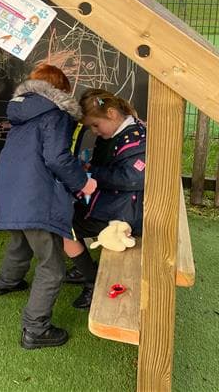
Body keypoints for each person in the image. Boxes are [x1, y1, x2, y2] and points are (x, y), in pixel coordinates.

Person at [0, 64, 96, 349]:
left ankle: (6, 282)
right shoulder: (56, 114)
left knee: (19, 243)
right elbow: (57, 158)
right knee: (51, 267)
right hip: (36, 195)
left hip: (9, 191)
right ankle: (35, 330)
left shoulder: (21, 113)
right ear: (60, 90)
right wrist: (82, 183)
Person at [64, 88, 147, 310]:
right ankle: (84, 267)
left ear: (111, 113)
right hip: (116, 203)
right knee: (68, 217)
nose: (94, 131)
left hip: (127, 213)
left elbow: (134, 178)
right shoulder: (121, 132)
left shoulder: (136, 140)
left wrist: (95, 173)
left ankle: (90, 279)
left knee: (65, 225)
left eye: (95, 125)